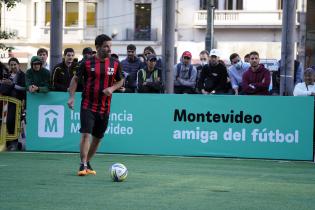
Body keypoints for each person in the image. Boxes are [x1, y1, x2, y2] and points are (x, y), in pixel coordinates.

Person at [67, 34, 124, 176]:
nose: (109, 49)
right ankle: (82, 164)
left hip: (105, 107)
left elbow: (121, 81)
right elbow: (75, 79)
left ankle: (88, 162)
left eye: (110, 46)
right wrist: (72, 97)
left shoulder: (115, 63)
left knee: (98, 138)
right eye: (106, 46)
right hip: (88, 104)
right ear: (98, 47)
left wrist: (112, 89)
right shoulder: (86, 63)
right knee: (86, 134)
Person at [5, 57, 26, 151]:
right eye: (11, 65)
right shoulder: (7, 75)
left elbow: (24, 88)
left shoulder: (23, 75)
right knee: (4, 122)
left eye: (14, 64)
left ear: (18, 65)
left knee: (12, 121)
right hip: (5, 102)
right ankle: (7, 142)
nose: (13, 66)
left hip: (17, 103)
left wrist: (12, 85)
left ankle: (14, 142)